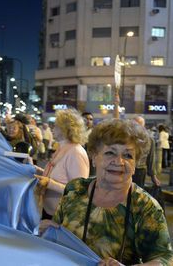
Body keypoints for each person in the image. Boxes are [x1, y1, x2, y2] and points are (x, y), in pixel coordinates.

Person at [40, 119, 173, 265]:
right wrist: (47, 231)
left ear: (135, 164)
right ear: (94, 158)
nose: (119, 161)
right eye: (110, 153)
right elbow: (57, 229)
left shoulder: (145, 207)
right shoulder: (75, 189)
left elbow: (165, 259)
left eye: (128, 155)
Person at [35, 108, 89, 219]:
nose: (52, 128)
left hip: (64, 216)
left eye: (55, 126)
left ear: (65, 129)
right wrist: (38, 171)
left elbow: (79, 190)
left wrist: (49, 183)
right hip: (51, 212)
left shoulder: (76, 152)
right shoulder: (62, 147)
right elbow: (57, 174)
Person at [132, 116, 160, 187]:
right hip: (129, 169)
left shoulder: (149, 140)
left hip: (139, 170)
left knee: (137, 192)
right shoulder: (128, 138)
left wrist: (153, 176)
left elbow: (151, 159)